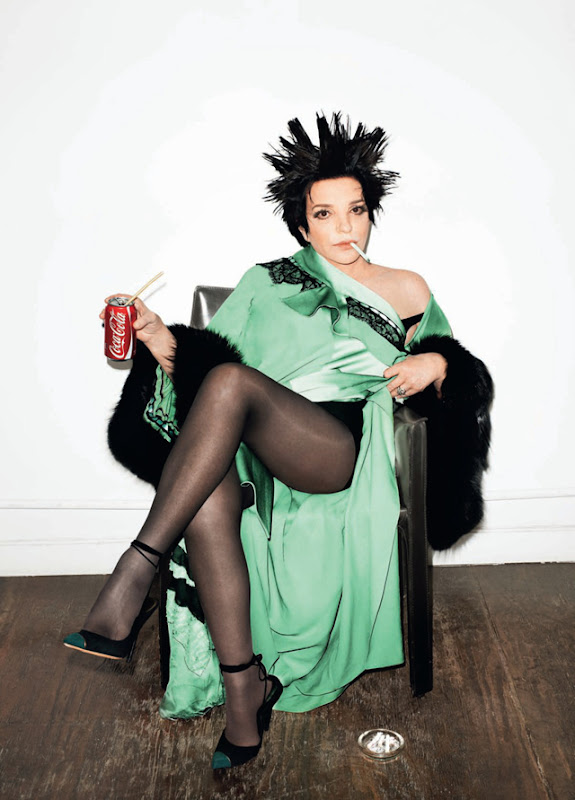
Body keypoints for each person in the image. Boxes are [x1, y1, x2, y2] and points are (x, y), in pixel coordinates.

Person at [64, 113, 493, 770]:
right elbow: (208, 371)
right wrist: (153, 335)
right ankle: (246, 693)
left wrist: (437, 362)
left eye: (356, 210)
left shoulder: (406, 287)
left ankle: (135, 569)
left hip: (336, 445)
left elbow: (455, 369)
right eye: (325, 214)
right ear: (301, 226)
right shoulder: (266, 281)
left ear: (370, 214)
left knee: (232, 385)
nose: (345, 227)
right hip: (249, 437)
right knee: (210, 488)